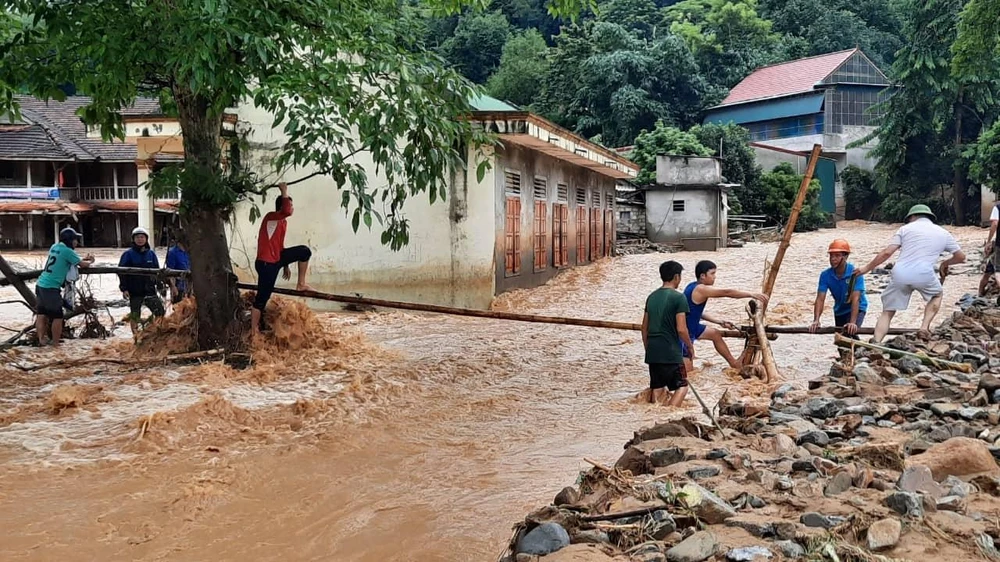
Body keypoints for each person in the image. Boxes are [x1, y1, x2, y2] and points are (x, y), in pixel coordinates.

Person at [855, 204, 965, 342]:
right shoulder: (943, 233)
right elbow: (961, 257)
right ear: (930, 217)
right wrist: (945, 263)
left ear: (912, 216)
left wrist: (866, 268)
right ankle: (924, 328)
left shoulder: (904, 229)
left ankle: (876, 341)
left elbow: (887, 253)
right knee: (937, 295)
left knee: (888, 311)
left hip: (900, 273)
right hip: (924, 274)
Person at [682, 260, 769, 372]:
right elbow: (727, 292)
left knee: (715, 334)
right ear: (703, 276)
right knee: (688, 373)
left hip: (692, 327)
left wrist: (719, 321)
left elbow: (695, 312)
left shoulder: (692, 286)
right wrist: (751, 294)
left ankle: (733, 363)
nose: (715, 277)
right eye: (712, 273)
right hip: (684, 332)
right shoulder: (701, 289)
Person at [252, 181, 313, 334]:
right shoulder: (271, 218)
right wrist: (284, 191)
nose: (292, 208)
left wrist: (285, 264)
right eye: (290, 205)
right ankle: (254, 331)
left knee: (304, 251)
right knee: (262, 298)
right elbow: (286, 210)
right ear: (282, 206)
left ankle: (301, 283)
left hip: (276, 259)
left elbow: (279, 245)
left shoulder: (282, 222)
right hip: (266, 263)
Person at [641, 260, 693, 406]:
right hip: (670, 351)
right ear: (676, 277)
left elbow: (644, 328)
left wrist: (648, 347)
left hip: (653, 350)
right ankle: (669, 414)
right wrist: (689, 346)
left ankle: (654, 415)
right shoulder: (679, 298)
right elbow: (681, 329)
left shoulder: (651, 297)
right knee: (682, 386)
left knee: (657, 388)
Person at [35, 227, 94, 345]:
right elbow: (83, 265)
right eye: (75, 240)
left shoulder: (54, 247)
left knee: (41, 314)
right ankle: (55, 343)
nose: (76, 242)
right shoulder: (68, 251)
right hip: (51, 288)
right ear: (70, 240)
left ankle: (41, 340)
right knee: (58, 316)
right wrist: (91, 261)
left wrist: (81, 259)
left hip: (41, 284)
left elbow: (65, 259)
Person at [809, 239, 867, 338]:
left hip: (857, 308)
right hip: (840, 310)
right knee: (840, 340)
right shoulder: (825, 275)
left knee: (850, 332)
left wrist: (853, 322)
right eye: (831, 256)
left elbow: (856, 298)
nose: (833, 259)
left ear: (845, 257)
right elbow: (820, 299)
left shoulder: (855, 273)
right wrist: (816, 320)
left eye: (837, 256)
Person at [119, 226, 165, 335]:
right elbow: (121, 273)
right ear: (133, 239)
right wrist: (124, 289)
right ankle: (136, 336)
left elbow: (157, 271)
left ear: (146, 239)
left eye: (142, 237)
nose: (140, 239)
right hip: (134, 290)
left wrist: (160, 285)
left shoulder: (151, 254)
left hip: (150, 290)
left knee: (160, 312)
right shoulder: (127, 254)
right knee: (135, 314)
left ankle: (156, 334)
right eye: (137, 237)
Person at [165, 231, 191, 304]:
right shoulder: (172, 253)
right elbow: (170, 271)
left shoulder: (190, 251)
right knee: (178, 306)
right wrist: (173, 287)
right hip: (178, 284)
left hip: (189, 285)